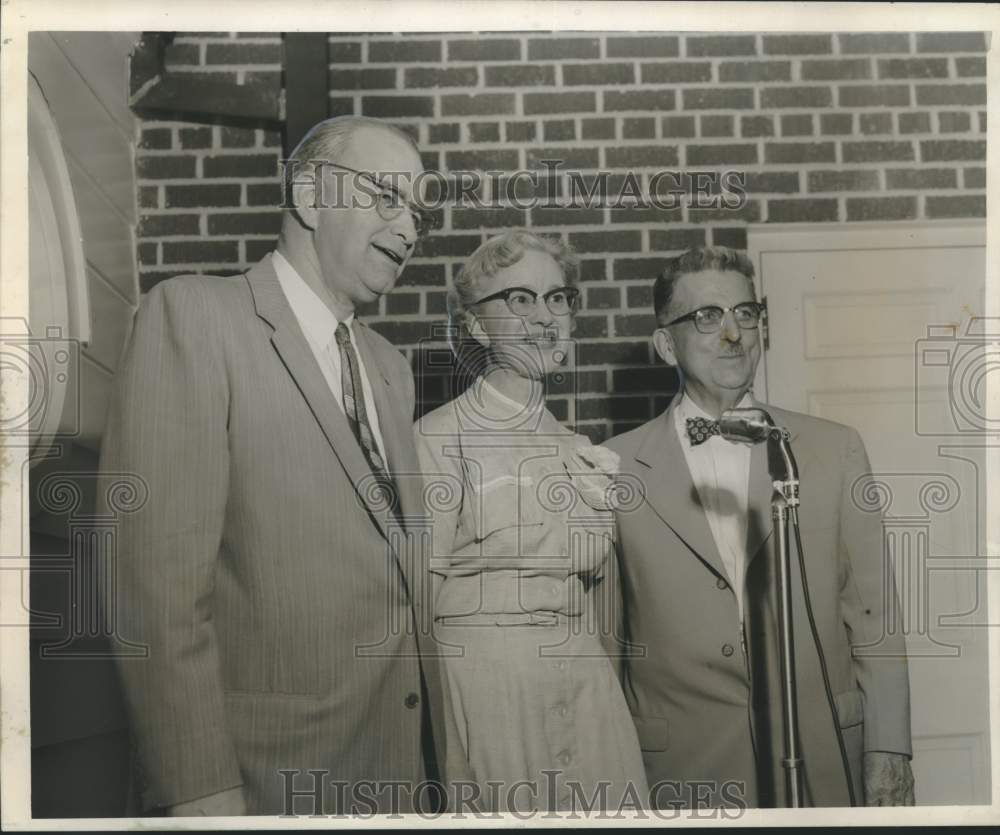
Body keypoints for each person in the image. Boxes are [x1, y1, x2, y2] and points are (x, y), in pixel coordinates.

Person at [99, 116, 453, 816]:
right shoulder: (196, 317)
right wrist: (200, 789)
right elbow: (155, 595)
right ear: (311, 193)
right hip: (265, 787)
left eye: (418, 210)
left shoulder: (389, 367)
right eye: (388, 196)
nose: (409, 228)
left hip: (401, 780)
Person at [605, 246, 914, 809]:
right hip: (680, 773)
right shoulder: (611, 468)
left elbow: (875, 617)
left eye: (745, 314)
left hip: (821, 759)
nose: (732, 334)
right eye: (707, 316)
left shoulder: (833, 449)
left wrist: (889, 749)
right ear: (664, 343)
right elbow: (606, 645)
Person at [413, 229, 648, 813]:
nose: (545, 318)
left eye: (557, 298)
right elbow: (414, 610)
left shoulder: (580, 450)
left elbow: (600, 606)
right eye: (519, 300)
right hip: (488, 699)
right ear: (473, 326)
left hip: (588, 695)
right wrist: (446, 756)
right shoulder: (437, 440)